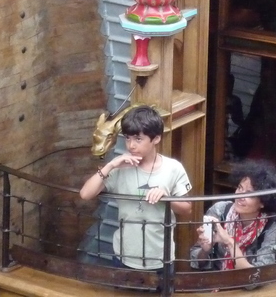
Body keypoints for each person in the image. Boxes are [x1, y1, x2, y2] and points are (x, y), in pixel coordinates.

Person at [79, 105, 192, 271]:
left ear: (156, 139)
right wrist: (110, 165)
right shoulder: (120, 167)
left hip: (161, 258)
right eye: (127, 138)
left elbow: (187, 209)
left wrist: (166, 197)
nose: (131, 145)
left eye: (138, 139)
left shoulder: (173, 168)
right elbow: (85, 194)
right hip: (123, 256)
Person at [190, 161, 276, 270]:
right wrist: (205, 250)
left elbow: (258, 274)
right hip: (217, 277)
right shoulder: (220, 210)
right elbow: (196, 261)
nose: (240, 196)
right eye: (240, 188)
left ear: (263, 202)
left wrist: (229, 242)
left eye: (249, 194)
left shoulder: (273, 225)